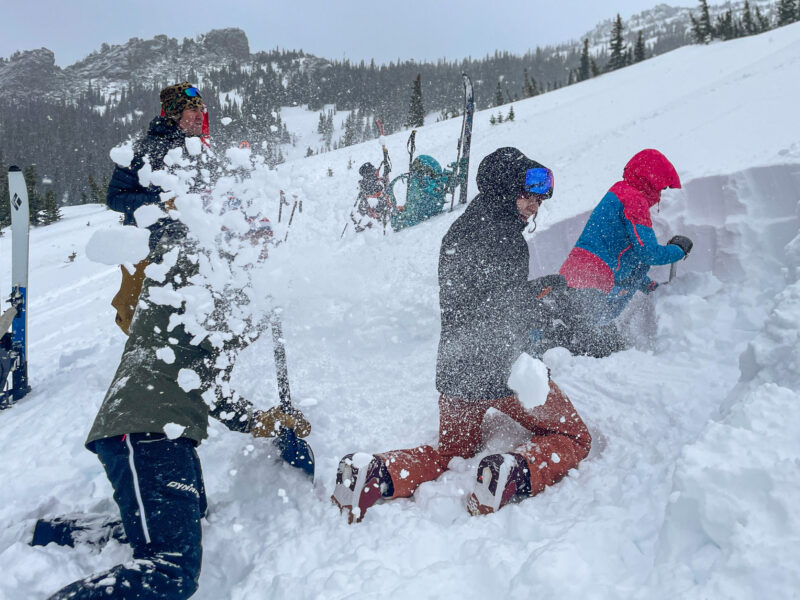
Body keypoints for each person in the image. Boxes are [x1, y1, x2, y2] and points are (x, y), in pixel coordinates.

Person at [48, 84, 311, 600]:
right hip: (144, 431)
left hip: (163, 431)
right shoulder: (191, 272)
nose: (258, 251)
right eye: (251, 238)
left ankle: (58, 534)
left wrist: (263, 422)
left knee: (193, 514)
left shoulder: (221, 292)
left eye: (262, 241)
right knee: (171, 571)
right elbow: (155, 223)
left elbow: (209, 387)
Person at [331, 147, 591, 521]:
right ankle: (514, 474)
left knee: (450, 454)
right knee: (575, 437)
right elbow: (502, 310)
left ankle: (373, 472)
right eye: (527, 196)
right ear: (504, 190)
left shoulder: (462, 229)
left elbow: (478, 298)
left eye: (538, 200)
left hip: (456, 371)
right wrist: (542, 301)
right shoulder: (506, 240)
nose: (533, 207)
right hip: (502, 370)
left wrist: (530, 291)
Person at [554, 149, 693, 357]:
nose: (661, 194)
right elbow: (648, 253)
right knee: (600, 355)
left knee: (579, 346)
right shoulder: (634, 200)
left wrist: (647, 285)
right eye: (661, 188)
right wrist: (678, 250)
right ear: (652, 181)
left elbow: (621, 255)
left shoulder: (618, 193)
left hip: (573, 280)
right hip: (592, 286)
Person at [108, 81, 209, 334]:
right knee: (138, 322)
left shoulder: (198, 150)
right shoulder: (143, 150)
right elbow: (115, 197)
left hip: (189, 252)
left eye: (201, 110)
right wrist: (159, 205)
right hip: (146, 252)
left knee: (179, 326)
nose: (200, 115)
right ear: (175, 113)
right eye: (192, 110)